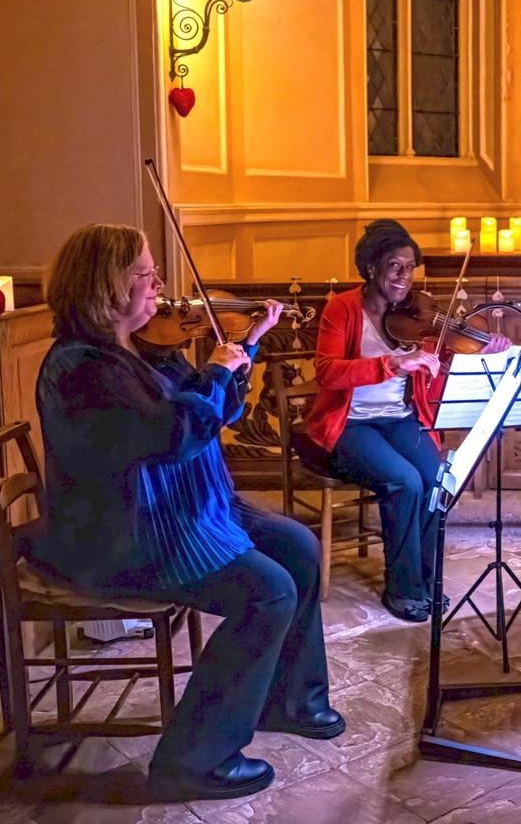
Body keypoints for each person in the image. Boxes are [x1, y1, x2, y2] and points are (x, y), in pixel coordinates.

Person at [31, 224, 342, 803]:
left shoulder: (129, 351)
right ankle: (194, 760)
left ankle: (290, 700)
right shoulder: (83, 369)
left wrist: (243, 350)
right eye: (147, 275)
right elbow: (175, 433)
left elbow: (207, 408)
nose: (159, 288)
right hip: (122, 537)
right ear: (110, 287)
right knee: (267, 591)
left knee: (297, 545)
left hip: (182, 508)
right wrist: (222, 370)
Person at [304, 219, 509, 622]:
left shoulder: (417, 312)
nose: (404, 277)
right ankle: (402, 588)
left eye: (410, 267)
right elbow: (328, 372)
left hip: (400, 419)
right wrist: (392, 363)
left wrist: (484, 350)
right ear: (371, 268)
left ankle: (428, 583)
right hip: (351, 424)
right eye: (395, 266)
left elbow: (439, 364)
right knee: (405, 482)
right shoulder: (342, 308)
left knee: (437, 481)